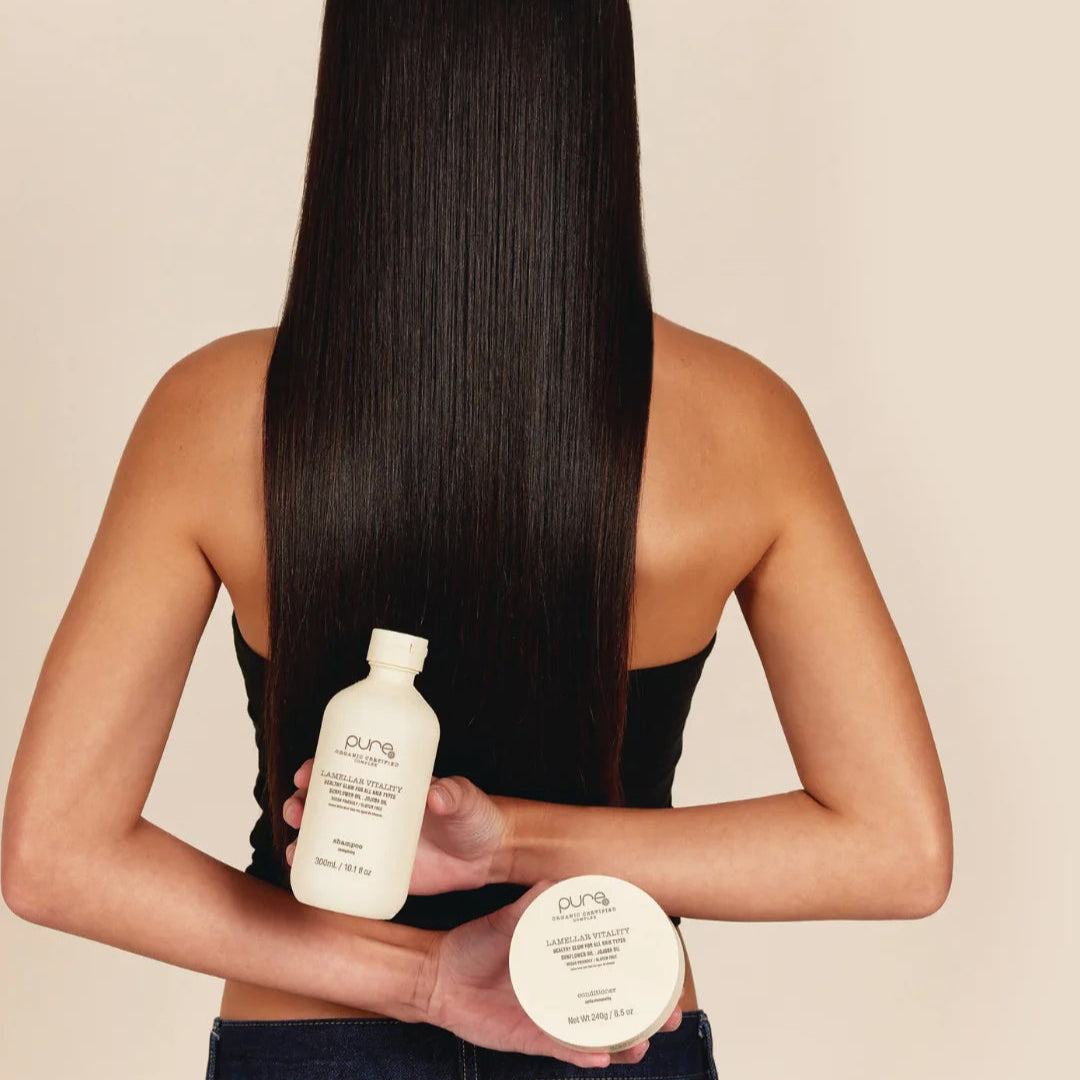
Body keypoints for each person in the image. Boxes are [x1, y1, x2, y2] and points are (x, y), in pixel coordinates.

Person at [2, 2, 952, 1078]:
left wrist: (424, 979)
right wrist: (511, 842)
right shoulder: (741, 422)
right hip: (605, 1022)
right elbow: (893, 848)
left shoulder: (216, 412)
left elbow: (58, 854)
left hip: (312, 1036)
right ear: (593, 97)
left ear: (361, 99)